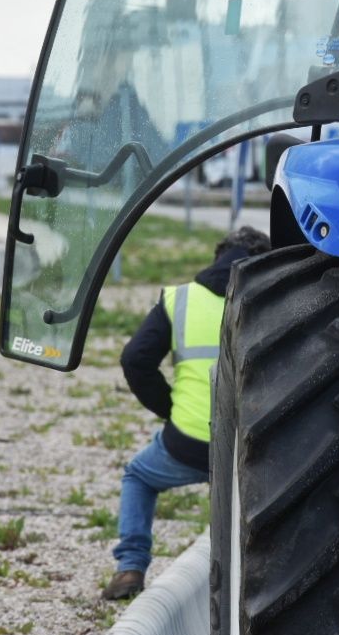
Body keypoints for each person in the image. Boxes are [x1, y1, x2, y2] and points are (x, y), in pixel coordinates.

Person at [101, 225, 273, 601]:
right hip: (254, 448)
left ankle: (130, 566)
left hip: (188, 442)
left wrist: (171, 409)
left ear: (217, 258)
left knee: (139, 478)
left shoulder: (179, 299)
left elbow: (135, 360)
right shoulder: (271, 301)